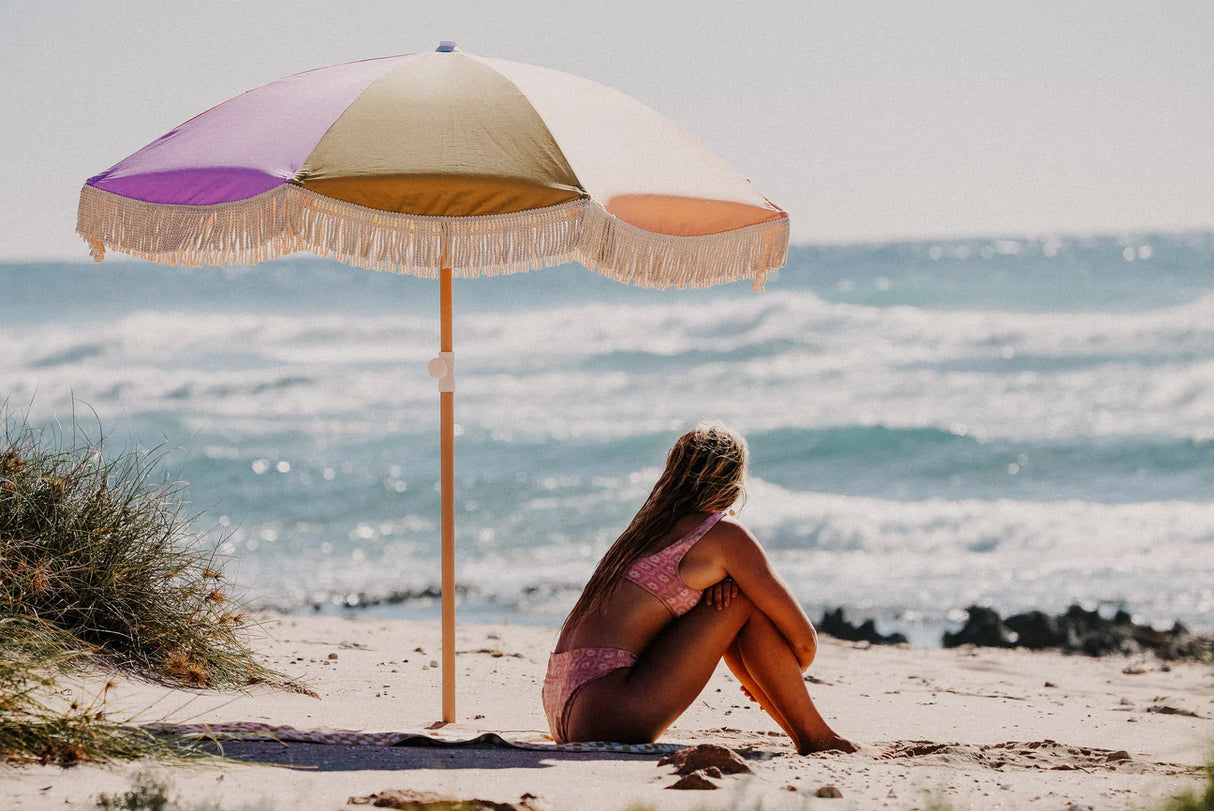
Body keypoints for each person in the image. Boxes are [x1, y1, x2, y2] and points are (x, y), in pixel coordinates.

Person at [542, 422, 856, 754]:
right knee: (740, 601)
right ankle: (819, 738)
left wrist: (764, 673)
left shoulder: (643, 533)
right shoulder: (724, 537)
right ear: (735, 483)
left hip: (565, 703)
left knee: (727, 596)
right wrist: (777, 675)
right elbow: (805, 639)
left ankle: (811, 735)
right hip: (610, 714)